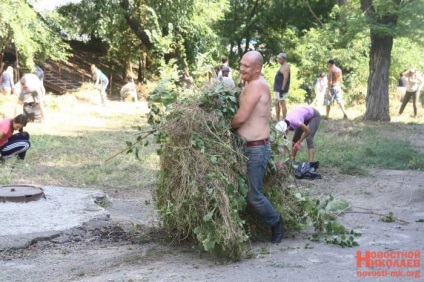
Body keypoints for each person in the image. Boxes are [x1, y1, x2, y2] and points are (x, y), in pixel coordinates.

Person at [231, 50, 283, 244]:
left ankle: (276, 222)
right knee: (242, 192)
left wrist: (222, 127)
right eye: (241, 65)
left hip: (256, 148)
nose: (241, 69)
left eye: (246, 66)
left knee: (254, 196)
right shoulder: (249, 84)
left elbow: (241, 118)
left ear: (258, 68)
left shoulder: (257, 86)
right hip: (246, 147)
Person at [273, 53, 290, 120]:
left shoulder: (286, 67)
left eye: (280, 59)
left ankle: (284, 119)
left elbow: (285, 79)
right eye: (278, 59)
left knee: (282, 103)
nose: (278, 60)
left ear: (284, 59)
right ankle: (277, 119)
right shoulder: (282, 66)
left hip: (281, 89)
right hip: (277, 88)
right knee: (276, 103)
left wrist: (282, 90)